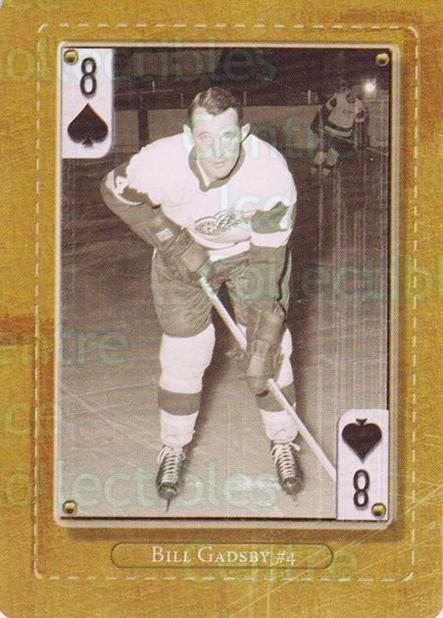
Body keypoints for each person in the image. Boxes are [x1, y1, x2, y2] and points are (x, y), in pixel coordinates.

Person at [100, 87, 302, 505]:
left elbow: (269, 260)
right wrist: (172, 242)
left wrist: (263, 333)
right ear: (189, 136)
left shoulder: (271, 173)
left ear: (243, 132)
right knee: (185, 354)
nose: (218, 150)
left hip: (249, 255)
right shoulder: (158, 163)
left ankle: (283, 440)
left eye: (228, 135)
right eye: (206, 137)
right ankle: (173, 446)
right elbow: (113, 190)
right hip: (181, 256)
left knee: (270, 349)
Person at [310, 83, 367, 177]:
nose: (356, 92)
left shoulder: (360, 105)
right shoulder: (339, 98)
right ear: (350, 89)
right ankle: (313, 172)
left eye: (359, 90)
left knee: (334, 155)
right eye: (355, 89)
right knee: (321, 153)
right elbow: (325, 110)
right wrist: (316, 123)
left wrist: (359, 117)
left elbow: (359, 120)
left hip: (344, 133)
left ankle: (324, 175)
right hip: (329, 130)